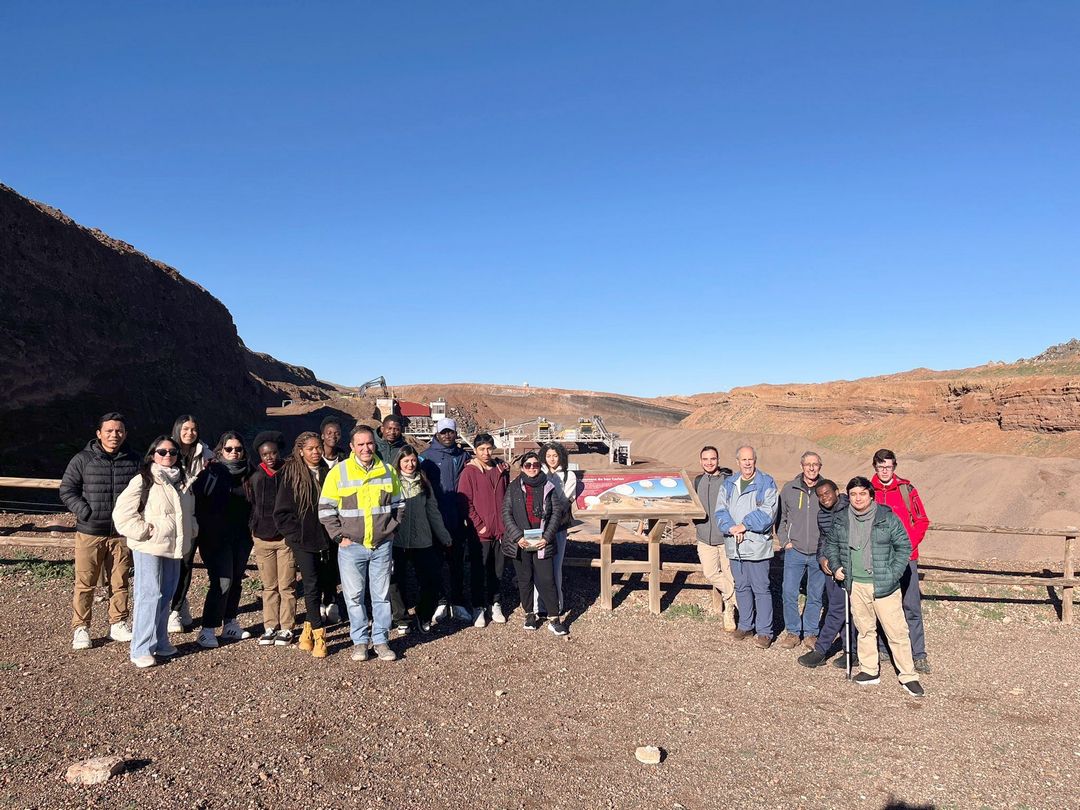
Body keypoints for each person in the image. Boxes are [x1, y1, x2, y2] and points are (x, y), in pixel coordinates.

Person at [824, 477, 924, 697]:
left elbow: (904, 546)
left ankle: (908, 675)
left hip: (883, 585)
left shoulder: (886, 517)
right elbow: (831, 544)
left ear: (871, 495)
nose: (858, 498)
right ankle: (870, 670)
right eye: (853, 494)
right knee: (865, 629)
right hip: (856, 583)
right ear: (848, 496)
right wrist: (836, 564)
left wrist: (893, 574)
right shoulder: (842, 519)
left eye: (862, 494)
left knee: (896, 631)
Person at [319, 425, 403, 662]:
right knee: (354, 597)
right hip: (351, 546)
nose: (366, 448)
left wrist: (390, 531)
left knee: (382, 596)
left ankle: (381, 640)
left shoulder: (387, 471)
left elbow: (400, 505)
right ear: (352, 447)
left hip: (381, 546)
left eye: (370, 444)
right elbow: (325, 509)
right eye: (361, 444)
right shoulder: (339, 472)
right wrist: (338, 536)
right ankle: (360, 642)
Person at [112, 436, 197, 668]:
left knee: (166, 593)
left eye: (172, 452)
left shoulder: (184, 480)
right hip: (149, 545)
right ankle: (140, 648)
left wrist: (192, 529)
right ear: (152, 454)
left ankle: (160, 641)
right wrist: (143, 531)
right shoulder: (143, 479)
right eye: (162, 452)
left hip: (174, 545)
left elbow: (188, 513)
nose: (167, 456)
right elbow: (122, 513)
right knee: (148, 594)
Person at [59, 411, 140, 650]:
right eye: (109, 431)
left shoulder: (134, 460)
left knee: (121, 580)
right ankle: (81, 628)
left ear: (125, 434)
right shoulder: (82, 460)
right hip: (90, 531)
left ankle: (118, 623)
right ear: (99, 434)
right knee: (85, 581)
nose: (114, 435)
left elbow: (143, 491)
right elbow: (67, 490)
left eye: (119, 431)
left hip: (121, 534)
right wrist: (85, 512)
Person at [871, 449, 932, 674]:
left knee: (911, 606)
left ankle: (919, 654)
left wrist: (908, 547)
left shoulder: (907, 489)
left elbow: (921, 520)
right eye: (881, 467)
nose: (885, 471)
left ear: (894, 466)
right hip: (879, 559)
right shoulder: (868, 491)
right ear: (875, 468)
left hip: (906, 558)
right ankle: (882, 648)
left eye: (888, 467)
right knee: (880, 604)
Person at [714, 445, 779, 649]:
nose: (748, 463)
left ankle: (765, 631)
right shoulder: (729, 483)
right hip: (735, 546)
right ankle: (745, 624)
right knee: (741, 587)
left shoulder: (765, 482)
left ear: (755, 460)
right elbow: (720, 511)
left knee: (761, 589)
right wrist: (732, 527)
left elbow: (768, 512)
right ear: (737, 462)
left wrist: (744, 525)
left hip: (757, 546)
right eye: (744, 460)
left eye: (750, 459)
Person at [193, 431, 254, 648]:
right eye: (229, 449)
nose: (234, 453)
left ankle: (230, 623)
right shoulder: (211, 473)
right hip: (214, 538)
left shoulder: (249, 473)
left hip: (241, 537)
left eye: (238, 449)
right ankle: (207, 628)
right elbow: (197, 503)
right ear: (221, 450)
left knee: (236, 579)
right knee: (222, 581)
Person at [274, 432, 332, 658]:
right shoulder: (291, 474)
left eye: (318, 447)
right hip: (303, 540)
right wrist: (295, 536)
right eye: (310, 449)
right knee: (310, 584)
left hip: (326, 538)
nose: (316, 452)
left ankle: (306, 631)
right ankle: (320, 635)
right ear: (300, 451)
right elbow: (281, 512)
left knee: (324, 581)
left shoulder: (328, 472)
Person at [501, 451, 570, 636]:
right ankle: (529, 614)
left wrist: (547, 537)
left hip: (542, 541)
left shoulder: (548, 486)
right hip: (521, 542)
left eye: (535, 465)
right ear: (522, 467)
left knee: (547, 580)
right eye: (528, 465)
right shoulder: (513, 487)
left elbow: (556, 513)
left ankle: (554, 618)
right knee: (525, 579)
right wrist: (517, 537)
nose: (532, 468)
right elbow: (506, 512)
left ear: (540, 467)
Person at [389, 446, 453, 633]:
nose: (410, 464)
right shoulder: (391, 482)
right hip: (397, 540)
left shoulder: (424, 482)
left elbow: (433, 512)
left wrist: (444, 536)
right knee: (395, 581)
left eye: (413, 460)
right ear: (399, 462)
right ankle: (401, 618)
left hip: (422, 539)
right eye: (406, 461)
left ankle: (423, 613)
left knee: (430, 580)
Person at [797, 479, 853, 669]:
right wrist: (821, 558)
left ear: (837, 491)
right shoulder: (822, 515)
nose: (824, 498)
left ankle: (821, 651)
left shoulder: (850, 509)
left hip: (848, 568)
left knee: (837, 609)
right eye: (820, 496)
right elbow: (824, 539)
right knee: (843, 609)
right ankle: (850, 651)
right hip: (830, 568)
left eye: (827, 493)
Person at [248, 431, 296, 646]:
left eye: (273, 453)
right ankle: (270, 625)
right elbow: (250, 504)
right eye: (265, 454)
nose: (270, 457)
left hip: (285, 538)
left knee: (287, 585)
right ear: (260, 455)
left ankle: (286, 627)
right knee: (269, 586)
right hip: (262, 537)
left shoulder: (288, 473)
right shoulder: (255, 477)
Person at [421, 418, 471, 622]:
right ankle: (441, 602)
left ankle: (457, 602)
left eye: (450, 432)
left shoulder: (463, 456)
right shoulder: (425, 457)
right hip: (435, 520)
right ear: (437, 434)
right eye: (443, 432)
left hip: (457, 520)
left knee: (457, 564)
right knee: (435, 565)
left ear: (455, 433)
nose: (447, 435)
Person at [459, 433, 510, 627]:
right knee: (478, 570)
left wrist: (505, 524)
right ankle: (478, 607)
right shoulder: (469, 472)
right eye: (482, 449)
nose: (486, 452)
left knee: (497, 570)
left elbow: (506, 498)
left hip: (500, 530)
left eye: (489, 448)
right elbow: (465, 501)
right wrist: (479, 525)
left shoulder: (500, 470)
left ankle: (495, 603)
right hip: (480, 532)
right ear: (475, 451)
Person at [776, 451, 826, 650]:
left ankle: (811, 633)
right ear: (802, 466)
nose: (812, 468)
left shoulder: (826, 488)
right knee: (789, 592)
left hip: (818, 553)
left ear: (820, 466)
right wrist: (785, 541)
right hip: (794, 551)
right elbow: (781, 518)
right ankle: (793, 632)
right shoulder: (789, 488)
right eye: (808, 464)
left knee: (815, 594)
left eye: (815, 464)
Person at [168, 414, 213, 632]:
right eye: (185, 429)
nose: (189, 433)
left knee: (186, 564)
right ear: (177, 429)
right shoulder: (166, 451)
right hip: (169, 518)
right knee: (170, 564)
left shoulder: (205, 453)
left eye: (193, 429)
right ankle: (176, 605)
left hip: (194, 517)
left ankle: (175, 610)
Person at [693, 446, 736, 630]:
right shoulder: (698, 481)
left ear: (718, 460)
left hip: (725, 537)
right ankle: (740, 600)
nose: (709, 462)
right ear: (700, 461)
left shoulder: (728, 480)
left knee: (729, 575)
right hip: (704, 538)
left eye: (712, 459)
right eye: (705, 459)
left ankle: (729, 611)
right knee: (710, 573)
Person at [538, 441, 576, 621]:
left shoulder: (569, 476)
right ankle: (540, 605)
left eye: (555, 456)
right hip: (539, 527)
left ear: (561, 456)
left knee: (555, 567)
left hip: (558, 527)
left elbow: (562, 501)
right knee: (539, 565)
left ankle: (557, 605)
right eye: (548, 456)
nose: (552, 459)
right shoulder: (539, 472)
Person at [317, 416, 347, 623]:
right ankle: (318, 601)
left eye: (336, 433)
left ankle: (332, 599)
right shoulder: (313, 458)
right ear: (322, 436)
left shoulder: (345, 458)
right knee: (319, 560)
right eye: (329, 433)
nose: (333, 436)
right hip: (317, 520)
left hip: (341, 519)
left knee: (336, 561)